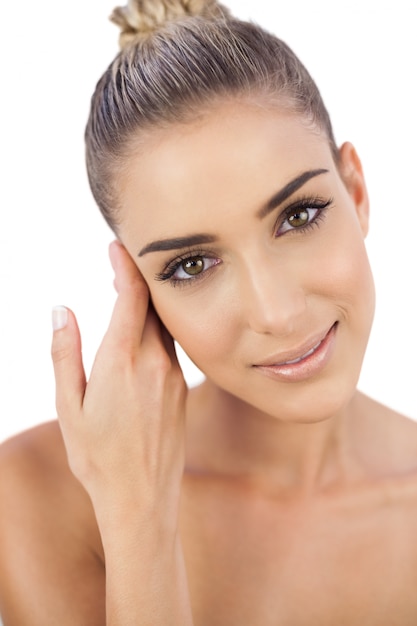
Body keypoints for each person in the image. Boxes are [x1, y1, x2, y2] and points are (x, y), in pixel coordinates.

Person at [0, 0, 416, 623]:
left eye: (298, 216)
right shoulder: (33, 494)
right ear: (138, 292)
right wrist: (138, 521)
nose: (276, 313)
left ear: (355, 192)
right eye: (192, 265)